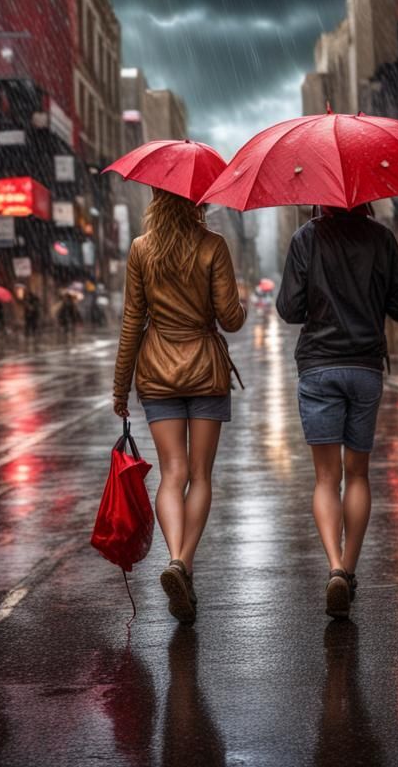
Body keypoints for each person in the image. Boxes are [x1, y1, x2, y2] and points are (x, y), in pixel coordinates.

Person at [113, 188, 246, 624]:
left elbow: (133, 319)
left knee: (173, 473)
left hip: (156, 371)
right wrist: (235, 302)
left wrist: (120, 387)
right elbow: (230, 318)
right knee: (201, 475)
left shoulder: (141, 249)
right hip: (205, 371)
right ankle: (182, 563)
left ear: (154, 198)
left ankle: (173, 557)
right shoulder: (212, 245)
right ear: (198, 201)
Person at [277, 204, 398, 620]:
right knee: (357, 473)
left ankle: (334, 565)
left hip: (319, 366)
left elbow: (288, 309)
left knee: (326, 478)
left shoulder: (306, 238)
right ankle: (350, 570)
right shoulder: (382, 238)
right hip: (365, 367)